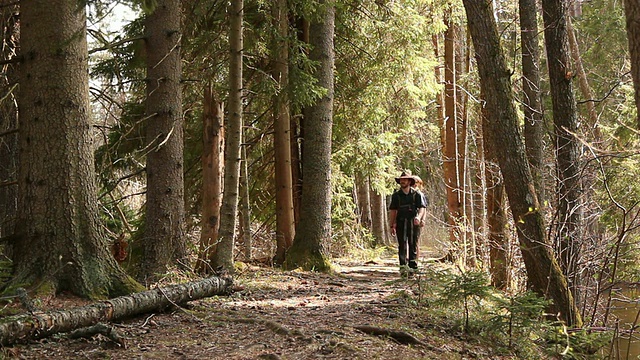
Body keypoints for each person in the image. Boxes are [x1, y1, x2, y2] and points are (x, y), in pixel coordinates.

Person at [388, 170, 427, 276]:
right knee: (402, 245)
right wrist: (392, 225)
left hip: (414, 223)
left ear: (410, 181)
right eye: (401, 180)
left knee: (413, 245)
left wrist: (419, 218)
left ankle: (413, 269)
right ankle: (403, 269)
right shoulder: (396, 196)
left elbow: (422, 208)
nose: (403, 182)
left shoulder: (417, 194)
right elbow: (393, 211)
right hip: (401, 222)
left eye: (405, 180)